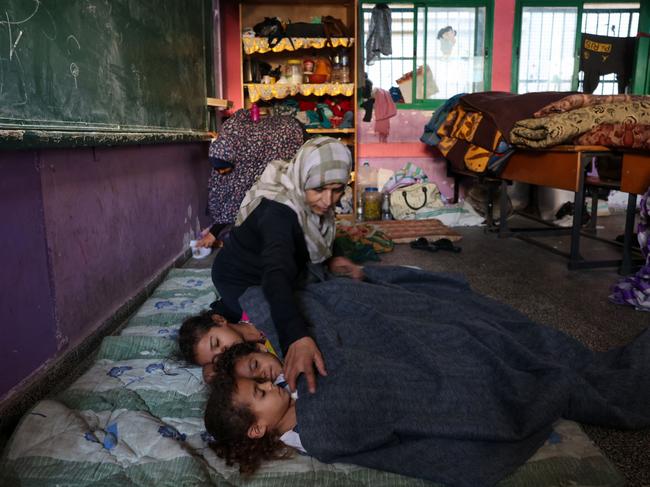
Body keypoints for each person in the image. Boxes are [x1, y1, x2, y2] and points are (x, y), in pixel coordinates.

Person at [203, 265, 650, 487]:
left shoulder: (292, 392)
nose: (272, 383)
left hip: (376, 354)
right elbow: (371, 400)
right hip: (416, 391)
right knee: (481, 365)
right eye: (262, 391)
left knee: (454, 330)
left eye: (261, 378)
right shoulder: (316, 427)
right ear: (257, 427)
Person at [198, 137, 363, 394]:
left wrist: (335, 257)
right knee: (266, 318)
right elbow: (275, 275)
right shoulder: (279, 212)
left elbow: (316, 237)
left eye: (338, 189)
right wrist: (296, 337)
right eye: (319, 189)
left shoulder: (307, 196)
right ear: (302, 177)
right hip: (238, 277)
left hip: (267, 262)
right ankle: (224, 320)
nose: (329, 200)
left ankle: (225, 312)